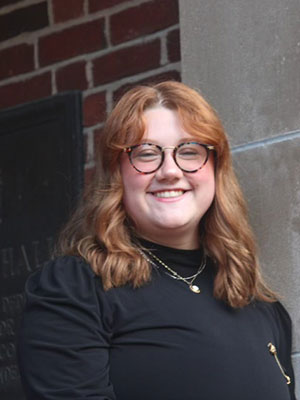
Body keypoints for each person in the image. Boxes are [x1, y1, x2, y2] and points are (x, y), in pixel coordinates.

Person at [18, 81, 296, 400]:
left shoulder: (262, 308)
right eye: (147, 154)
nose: (170, 171)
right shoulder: (75, 290)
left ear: (216, 170)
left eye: (190, 152)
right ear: (116, 173)